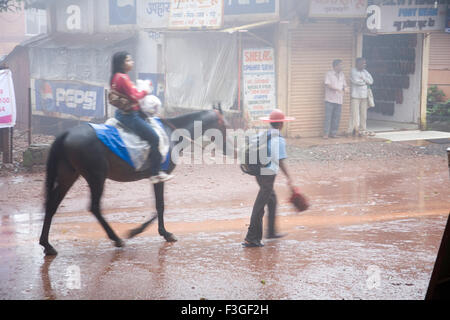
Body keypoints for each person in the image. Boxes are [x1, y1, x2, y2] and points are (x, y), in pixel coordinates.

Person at [110, 51, 173, 183]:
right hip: (130, 116)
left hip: (120, 114)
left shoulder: (115, 77)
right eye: (128, 60)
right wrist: (146, 90)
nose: (131, 62)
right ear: (122, 63)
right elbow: (134, 96)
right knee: (155, 138)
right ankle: (155, 173)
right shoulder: (123, 78)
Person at [243, 109, 295, 248]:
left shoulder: (263, 133)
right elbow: (281, 161)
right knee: (260, 205)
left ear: (271, 123)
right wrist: (289, 178)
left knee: (271, 199)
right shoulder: (278, 139)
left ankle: (271, 232)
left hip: (258, 171)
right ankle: (251, 238)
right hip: (268, 174)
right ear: (282, 124)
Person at [348, 57, 374, 137]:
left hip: (364, 96)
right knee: (355, 114)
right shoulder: (353, 71)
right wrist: (366, 82)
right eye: (362, 63)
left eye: (365, 63)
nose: (364, 65)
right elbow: (356, 82)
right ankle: (354, 130)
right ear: (357, 64)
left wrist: (364, 79)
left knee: (363, 114)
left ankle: (363, 130)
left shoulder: (365, 72)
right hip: (355, 96)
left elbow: (371, 81)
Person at [323, 59, 348, 139]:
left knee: (336, 117)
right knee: (328, 117)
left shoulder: (342, 74)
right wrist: (337, 89)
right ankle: (326, 134)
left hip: (339, 99)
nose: (342, 66)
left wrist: (346, 88)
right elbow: (327, 84)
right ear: (335, 66)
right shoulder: (329, 74)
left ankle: (333, 133)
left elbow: (344, 85)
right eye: (341, 65)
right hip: (330, 99)